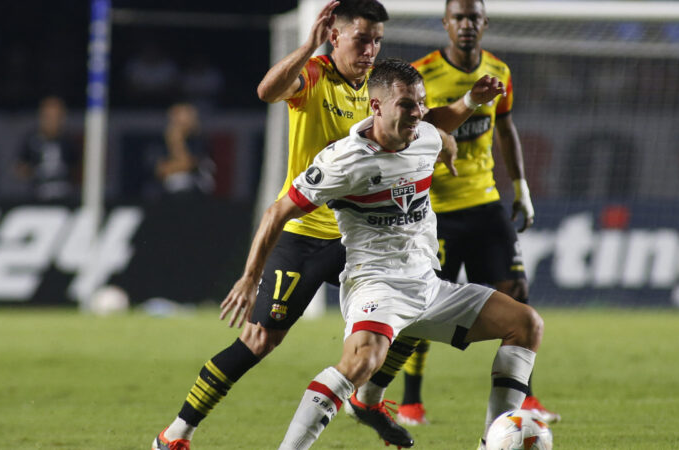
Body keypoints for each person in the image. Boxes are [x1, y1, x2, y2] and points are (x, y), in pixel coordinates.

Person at [151, 1, 502, 449]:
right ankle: (177, 433)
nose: (371, 48)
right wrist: (307, 46)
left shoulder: (383, 87)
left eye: (377, 40)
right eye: (362, 38)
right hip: (307, 233)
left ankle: (368, 397)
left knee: (416, 302)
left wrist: (469, 103)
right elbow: (267, 91)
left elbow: (428, 123)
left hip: (363, 238)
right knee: (259, 339)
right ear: (335, 37)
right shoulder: (315, 76)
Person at [219, 58, 543, 450]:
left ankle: (493, 444)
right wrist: (250, 278)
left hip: (428, 286)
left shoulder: (425, 135)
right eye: (407, 104)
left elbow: (444, 126)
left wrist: (471, 103)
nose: (418, 113)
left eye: (421, 103)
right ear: (376, 107)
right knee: (360, 364)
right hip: (376, 288)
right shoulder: (343, 161)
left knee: (526, 324)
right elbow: (277, 212)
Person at [357, 0, 562, 429]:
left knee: (518, 293)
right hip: (438, 208)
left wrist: (521, 189)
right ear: (446, 25)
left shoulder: (500, 72)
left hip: (485, 201)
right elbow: (404, 131)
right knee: (422, 305)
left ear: (484, 24)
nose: (466, 25)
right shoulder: (421, 74)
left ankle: (525, 399)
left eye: (474, 18)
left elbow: (505, 127)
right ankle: (411, 402)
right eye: (459, 18)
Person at [15, 96, 80, 201]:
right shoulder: (32, 140)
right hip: (37, 198)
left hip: (65, 198)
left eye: (56, 117)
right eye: (48, 116)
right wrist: (34, 172)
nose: (52, 121)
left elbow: (78, 169)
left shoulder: (69, 142)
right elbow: (19, 168)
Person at [154, 102, 216, 197]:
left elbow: (188, 164)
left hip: (196, 186)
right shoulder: (164, 140)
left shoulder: (197, 139)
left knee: (182, 180)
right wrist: (174, 141)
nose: (175, 119)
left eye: (181, 115)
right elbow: (159, 170)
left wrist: (177, 142)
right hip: (168, 191)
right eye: (174, 115)